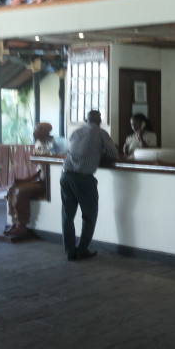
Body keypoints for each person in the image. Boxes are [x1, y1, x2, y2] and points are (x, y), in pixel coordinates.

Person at [60, 110, 118, 261]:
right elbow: (114, 154)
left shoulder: (76, 132)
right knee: (89, 216)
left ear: (86, 120)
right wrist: (100, 154)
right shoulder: (101, 133)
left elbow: (74, 150)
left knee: (67, 216)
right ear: (99, 121)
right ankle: (82, 249)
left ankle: (70, 252)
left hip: (66, 175)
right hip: (84, 178)